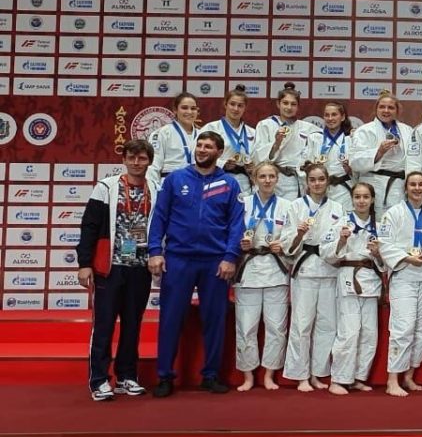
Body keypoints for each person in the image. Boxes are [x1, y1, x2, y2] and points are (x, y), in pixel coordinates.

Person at [149, 131, 245, 398]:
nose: (202, 150)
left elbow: (236, 224)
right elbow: (159, 216)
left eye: (208, 146)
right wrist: (155, 250)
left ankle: (210, 376)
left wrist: (230, 257)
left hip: (215, 261)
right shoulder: (176, 179)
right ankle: (165, 376)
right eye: (199, 145)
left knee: (214, 320)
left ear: (219, 152)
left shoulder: (229, 183)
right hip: (178, 258)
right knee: (170, 319)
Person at [77, 139, 160, 401]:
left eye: (142, 158)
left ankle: (127, 376)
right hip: (110, 267)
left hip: (140, 267)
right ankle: (99, 379)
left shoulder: (156, 189)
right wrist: (84, 263)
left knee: (133, 325)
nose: (136, 163)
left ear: (149, 161)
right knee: (104, 325)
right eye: (132, 157)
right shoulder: (106, 187)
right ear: (123, 159)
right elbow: (89, 226)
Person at [233, 162, 293, 392]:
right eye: (263, 176)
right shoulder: (243, 203)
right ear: (254, 179)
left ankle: (269, 374)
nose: (267, 180)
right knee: (246, 327)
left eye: (271, 176)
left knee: (276, 327)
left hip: (276, 270)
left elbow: (291, 235)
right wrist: (240, 243)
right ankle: (248, 375)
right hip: (248, 270)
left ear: (277, 179)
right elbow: (232, 230)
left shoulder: (287, 206)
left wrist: (283, 245)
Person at [378, 172, 422, 397]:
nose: (417, 188)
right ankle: (392, 379)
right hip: (404, 273)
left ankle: (409, 376)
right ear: (406, 188)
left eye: (421, 184)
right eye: (413, 184)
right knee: (403, 327)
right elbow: (384, 244)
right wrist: (406, 258)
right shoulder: (393, 213)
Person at [282, 164, 340, 392]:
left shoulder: (337, 208)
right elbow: (286, 243)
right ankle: (301, 376)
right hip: (305, 269)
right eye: (313, 180)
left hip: (328, 269)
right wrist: (299, 234)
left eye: (321, 179)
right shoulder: (296, 206)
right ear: (307, 182)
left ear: (328, 181)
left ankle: (317, 373)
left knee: (327, 325)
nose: (317, 183)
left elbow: (338, 240)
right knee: (302, 324)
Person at [325, 183, 383, 395]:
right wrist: (341, 240)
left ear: (372, 199)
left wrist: (377, 254)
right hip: (349, 277)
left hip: (371, 280)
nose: (361, 201)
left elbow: (386, 261)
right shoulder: (341, 224)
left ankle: (358, 377)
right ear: (352, 199)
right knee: (349, 332)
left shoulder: (380, 226)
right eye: (357, 197)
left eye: (366, 197)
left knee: (369, 333)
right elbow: (326, 253)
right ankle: (338, 379)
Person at [251, 83, 319, 200]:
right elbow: (257, 157)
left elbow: (323, 143)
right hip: (271, 180)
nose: (289, 107)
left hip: (295, 181)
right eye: (285, 103)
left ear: (298, 106)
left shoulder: (308, 128)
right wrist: (276, 143)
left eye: (293, 104)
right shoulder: (265, 125)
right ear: (278, 104)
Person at [349, 91, 413, 212]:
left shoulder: (407, 130)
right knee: (375, 219)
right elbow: (354, 162)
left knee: (397, 218)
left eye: (391, 107)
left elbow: (413, 160)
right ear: (376, 109)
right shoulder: (365, 131)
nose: (386, 111)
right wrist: (379, 152)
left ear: (397, 111)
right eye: (382, 107)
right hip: (373, 184)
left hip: (399, 185)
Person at [200, 85, 256, 197]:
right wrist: (223, 163)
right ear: (225, 104)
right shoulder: (211, 128)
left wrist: (253, 167)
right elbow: (199, 155)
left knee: (243, 206)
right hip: (218, 179)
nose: (236, 109)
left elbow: (258, 158)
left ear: (245, 108)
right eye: (232, 104)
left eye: (240, 105)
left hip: (245, 182)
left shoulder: (252, 132)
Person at [306, 101, 355, 211]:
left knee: (343, 217)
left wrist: (351, 170)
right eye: (327, 115)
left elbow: (360, 168)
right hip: (320, 189)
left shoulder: (351, 139)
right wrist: (312, 167)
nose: (330, 118)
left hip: (344, 190)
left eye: (334, 114)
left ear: (342, 117)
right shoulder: (315, 138)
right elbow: (304, 165)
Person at [147, 92, 200, 185]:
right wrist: (154, 189)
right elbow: (153, 167)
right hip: (170, 183)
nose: (189, 112)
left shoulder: (202, 134)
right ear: (175, 110)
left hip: (197, 183)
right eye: (184, 108)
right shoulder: (162, 133)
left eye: (193, 108)